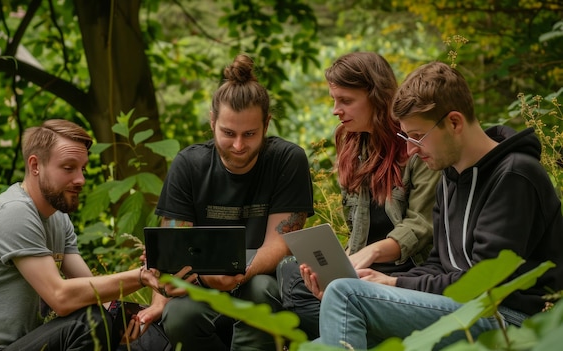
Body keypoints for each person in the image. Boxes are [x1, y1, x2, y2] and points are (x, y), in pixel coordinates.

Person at [317, 61, 563, 349]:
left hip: (513, 318)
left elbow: (485, 282)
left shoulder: (514, 176)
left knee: (346, 295)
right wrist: (376, 281)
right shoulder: (450, 176)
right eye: (405, 137)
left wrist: (395, 285)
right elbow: (439, 264)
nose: (410, 150)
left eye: (418, 136)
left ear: (454, 122)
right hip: (463, 308)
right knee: (325, 335)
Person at [0, 119, 190, 351]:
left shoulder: (58, 218)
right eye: (68, 168)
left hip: (17, 345)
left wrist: (135, 315)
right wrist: (141, 277)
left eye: (83, 169)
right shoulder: (14, 212)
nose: (80, 179)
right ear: (35, 165)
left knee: (142, 329)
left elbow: (93, 294)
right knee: (89, 323)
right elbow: (60, 297)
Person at [133, 54, 315, 351]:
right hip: (203, 286)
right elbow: (174, 247)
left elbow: (280, 242)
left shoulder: (287, 159)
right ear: (212, 121)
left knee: (260, 290)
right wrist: (166, 294)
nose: (239, 146)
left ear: (266, 124)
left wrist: (241, 271)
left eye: (250, 134)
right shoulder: (189, 164)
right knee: (178, 316)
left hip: (264, 281)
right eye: (228, 133)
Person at [276, 52, 440, 340]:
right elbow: (358, 234)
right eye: (333, 100)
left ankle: (355, 324)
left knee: (326, 299)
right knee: (291, 274)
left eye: (346, 101)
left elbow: (421, 226)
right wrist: (337, 265)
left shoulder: (416, 146)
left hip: (410, 269)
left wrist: (370, 253)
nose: (335, 111)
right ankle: (355, 324)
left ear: (377, 97)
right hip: (366, 264)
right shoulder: (353, 146)